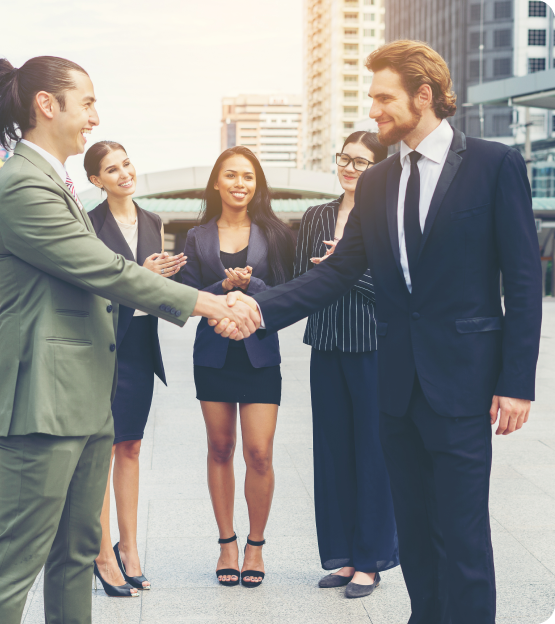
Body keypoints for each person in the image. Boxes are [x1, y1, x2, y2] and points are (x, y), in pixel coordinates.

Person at [221, 40, 542, 623]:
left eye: (383, 98)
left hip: (464, 384)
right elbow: (339, 273)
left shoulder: (496, 165)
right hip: (395, 389)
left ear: (424, 95)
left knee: (464, 536)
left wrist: (517, 381)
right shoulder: (377, 183)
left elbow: (523, 282)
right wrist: (258, 310)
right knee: (415, 537)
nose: (374, 111)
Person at [0, 56, 258, 624]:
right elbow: (107, 271)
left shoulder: (57, 182)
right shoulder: (24, 185)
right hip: (42, 404)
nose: (94, 117)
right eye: (87, 103)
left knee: (77, 554)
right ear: (46, 105)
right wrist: (209, 304)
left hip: (84, 398)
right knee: (18, 562)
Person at [181, 146, 295, 588]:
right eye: (231, 175)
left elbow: (288, 293)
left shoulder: (276, 233)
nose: (240, 184)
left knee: (259, 453)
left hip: (260, 352)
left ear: (256, 184)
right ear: (216, 182)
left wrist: (254, 285)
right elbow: (187, 295)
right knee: (221, 448)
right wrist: (222, 285)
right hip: (212, 353)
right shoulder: (197, 236)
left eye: (248, 177)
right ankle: (227, 543)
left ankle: (256, 545)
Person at [294, 131, 398, 599]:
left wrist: (348, 266)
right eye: (344, 159)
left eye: (361, 162)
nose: (350, 168)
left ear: (378, 167)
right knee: (332, 452)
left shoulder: (387, 214)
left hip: (373, 348)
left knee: (372, 454)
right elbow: (302, 281)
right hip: (326, 346)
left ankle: (371, 560)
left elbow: (399, 289)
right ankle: (342, 556)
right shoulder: (316, 215)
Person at [83, 141, 186, 595]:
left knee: (131, 447)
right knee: (102, 451)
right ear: (96, 181)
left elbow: (152, 291)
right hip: (106, 346)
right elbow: (89, 290)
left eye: (126, 164)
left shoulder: (153, 220)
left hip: (142, 344)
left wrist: (162, 278)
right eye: (112, 169)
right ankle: (103, 552)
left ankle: (130, 550)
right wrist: (139, 273)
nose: (124, 173)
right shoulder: (87, 225)